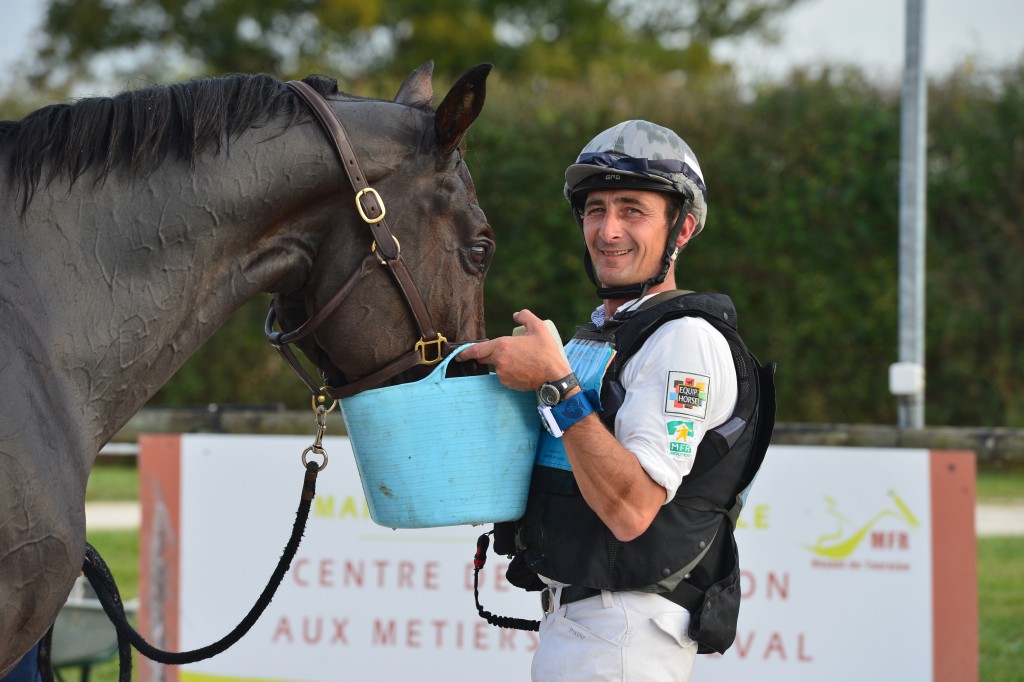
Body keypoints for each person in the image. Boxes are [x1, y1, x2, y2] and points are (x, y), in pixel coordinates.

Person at [459, 120, 774, 681]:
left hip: (624, 636)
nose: (608, 230)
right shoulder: (604, 332)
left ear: (681, 229)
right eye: (595, 208)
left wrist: (555, 382)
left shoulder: (685, 342)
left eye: (633, 210)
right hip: (584, 623)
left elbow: (632, 510)